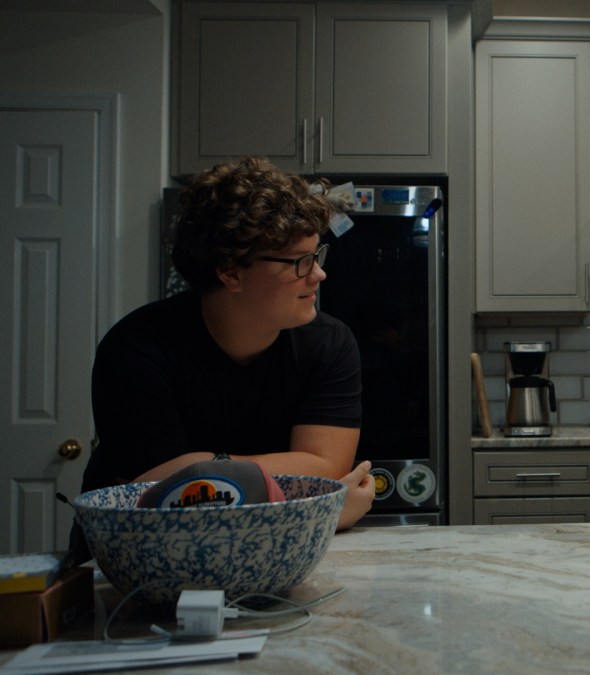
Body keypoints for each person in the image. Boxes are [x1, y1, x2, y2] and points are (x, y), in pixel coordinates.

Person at [71, 156, 374, 559]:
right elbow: (168, 501)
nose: (318, 274)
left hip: (265, 556)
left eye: (316, 255)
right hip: (132, 562)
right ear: (230, 272)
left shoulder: (329, 343)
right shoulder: (136, 348)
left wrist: (205, 464)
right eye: (299, 261)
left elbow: (327, 467)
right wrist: (323, 511)